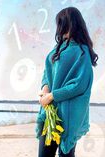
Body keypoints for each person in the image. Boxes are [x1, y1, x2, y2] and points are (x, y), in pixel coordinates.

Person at [35, 7, 98, 157]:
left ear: (71, 24)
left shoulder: (82, 52)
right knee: (44, 154)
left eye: (61, 23)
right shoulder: (58, 48)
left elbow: (79, 85)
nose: (59, 27)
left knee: (66, 154)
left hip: (68, 114)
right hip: (50, 112)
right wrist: (45, 90)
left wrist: (51, 96)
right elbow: (48, 72)